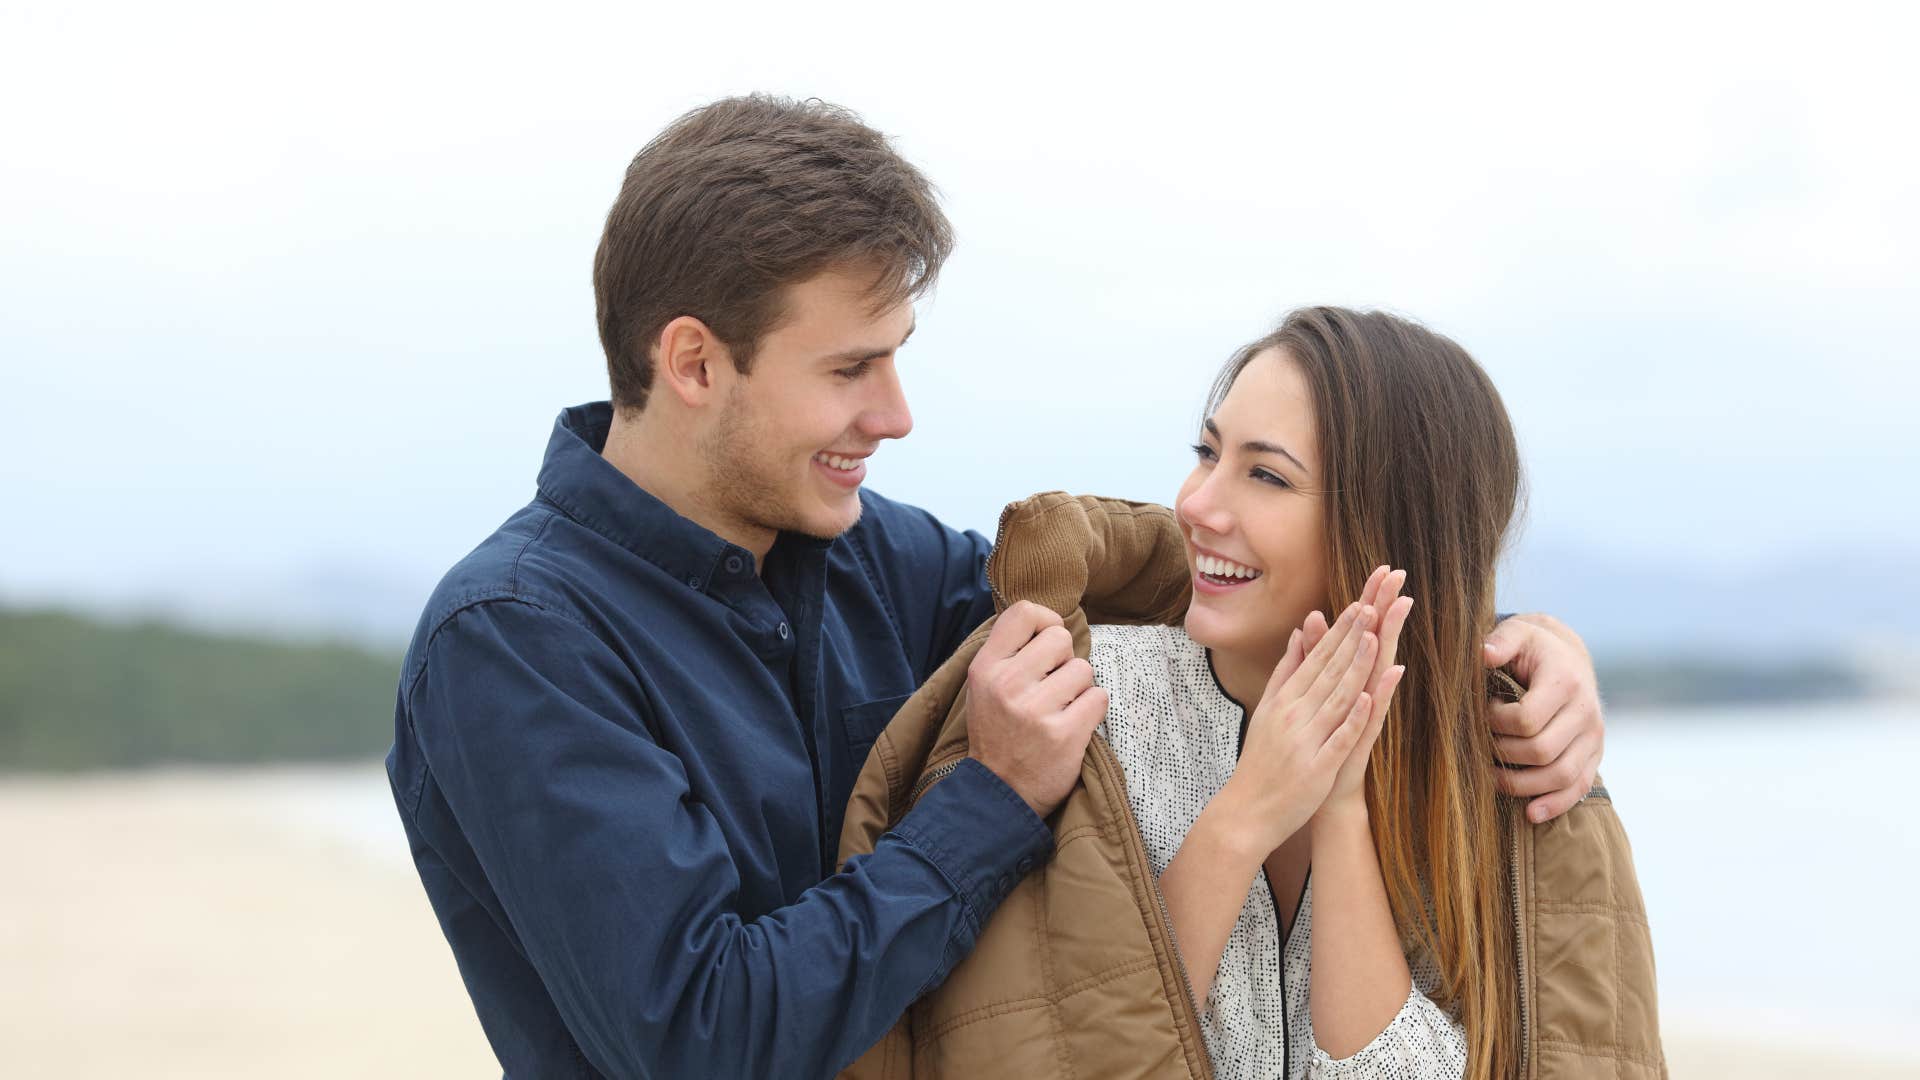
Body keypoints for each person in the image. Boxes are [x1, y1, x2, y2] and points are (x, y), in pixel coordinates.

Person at [387, 96, 1611, 1078]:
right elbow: (706, 1037)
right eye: (852, 369)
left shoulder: (879, 561)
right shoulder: (514, 643)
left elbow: (1183, 581)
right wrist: (989, 799)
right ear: (696, 362)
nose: (895, 415)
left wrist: (1483, 632)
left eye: (898, 361)